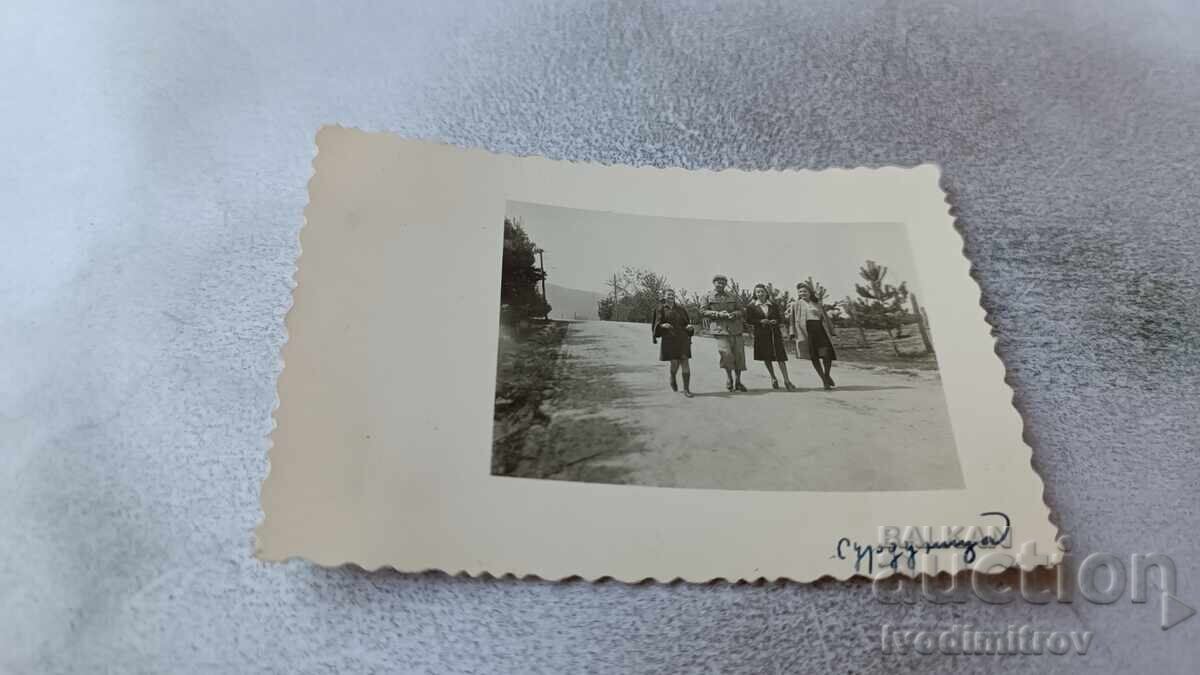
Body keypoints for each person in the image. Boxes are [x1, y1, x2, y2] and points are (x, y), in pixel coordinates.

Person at [700, 274, 747, 392]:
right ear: (714, 283)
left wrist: (734, 314)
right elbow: (702, 311)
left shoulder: (733, 296)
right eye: (718, 282)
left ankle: (738, 381)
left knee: (739, 356)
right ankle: (729, 378)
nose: (721, 284)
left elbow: (741, 310)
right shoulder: (707, 296)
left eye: (723, 282)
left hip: (736, 329)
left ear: (726, 284)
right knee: (726, 354)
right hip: (720, 330)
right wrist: (718, 314)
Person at [745, 284, 796, 390]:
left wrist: (775, 321)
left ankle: (787, 381)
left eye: (762, 291)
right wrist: (760, 321)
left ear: (766, 293)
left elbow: (780, 318)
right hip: (761, 334)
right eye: (757, 292)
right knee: (766, 357)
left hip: (774, 333)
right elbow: (749, 320)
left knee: (780, 357)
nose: (760, 294)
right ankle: (773, 378)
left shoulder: (773, 305)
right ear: (755, 294)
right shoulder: (751, 306)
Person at [788, 284, 838, 390]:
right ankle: (824, 380)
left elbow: (825, 318)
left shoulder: (817, 304)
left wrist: (831, 330)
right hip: (806, 332)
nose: (802, 294)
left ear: (810, 292)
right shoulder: (795, 304)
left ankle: (827, 374)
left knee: (826, 355)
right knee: (814, 356)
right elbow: (791, 320)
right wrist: (792, 332)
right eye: (800, 292)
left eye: (804, 291)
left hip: (820, 330)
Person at [651, 289, 694, 397]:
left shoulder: (680, 308)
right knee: (674, 363)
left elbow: (686, 322)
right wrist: (662, 325)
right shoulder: (660, 309)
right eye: (669, 295)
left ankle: (686, 389)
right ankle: (672, 377)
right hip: (669, 338)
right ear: (664, 296)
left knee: (685, 361)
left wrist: (688, 326)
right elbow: (656, 323)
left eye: (672, 295)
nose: (671, 296)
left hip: (683, 338)